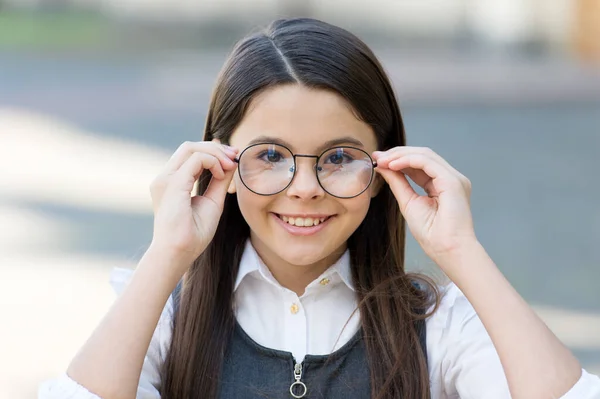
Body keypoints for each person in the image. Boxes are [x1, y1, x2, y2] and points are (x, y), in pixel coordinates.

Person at [39, 18, 600, 399]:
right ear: (221, 166)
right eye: (270, 155)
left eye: (337, 157)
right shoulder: (163, 315)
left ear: (384, 171)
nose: (305, 187)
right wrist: (167, 254)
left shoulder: (436, 325)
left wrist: (462, 252)